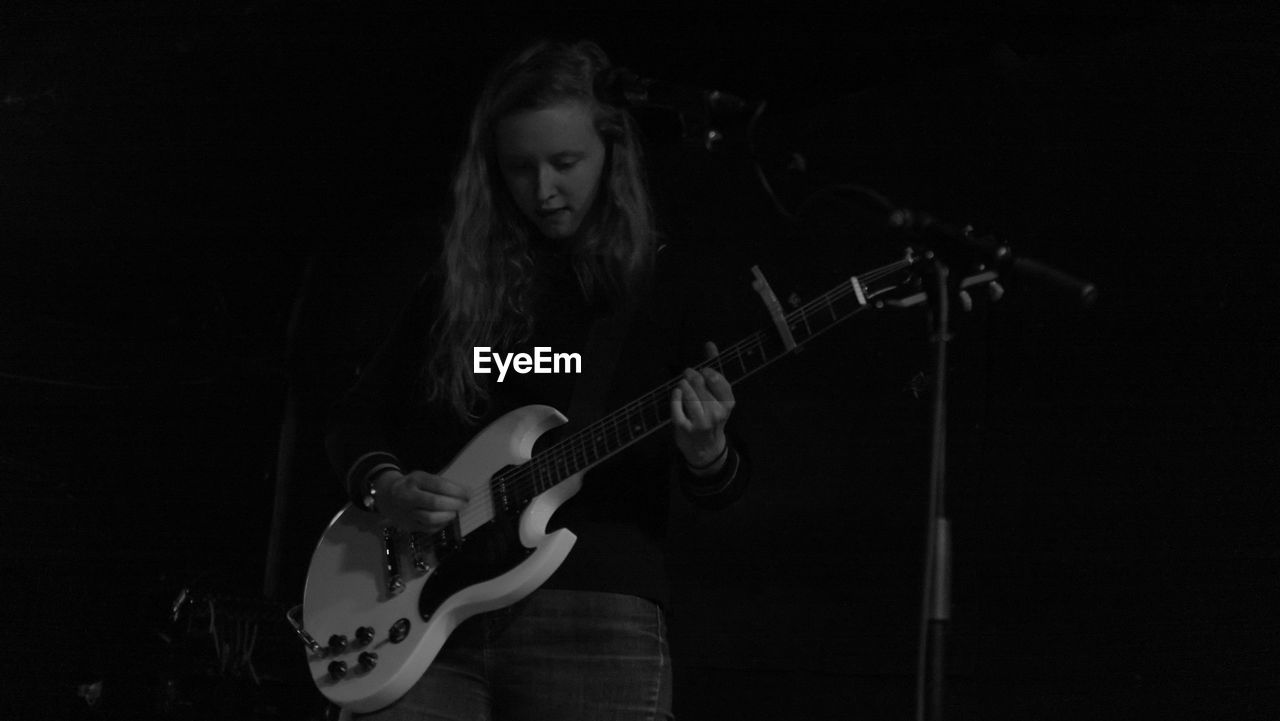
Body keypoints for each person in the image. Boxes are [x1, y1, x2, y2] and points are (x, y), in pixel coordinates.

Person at [325, 38, 748, 720]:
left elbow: (727, 481)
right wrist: (389, 486)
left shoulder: (664, 284)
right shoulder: (458, 285)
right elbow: (355, 415)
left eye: (565, 162)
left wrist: (708, 452)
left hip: (596, 613)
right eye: (520, 168)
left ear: (611, 151)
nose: (543, 189)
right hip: (424, 619)